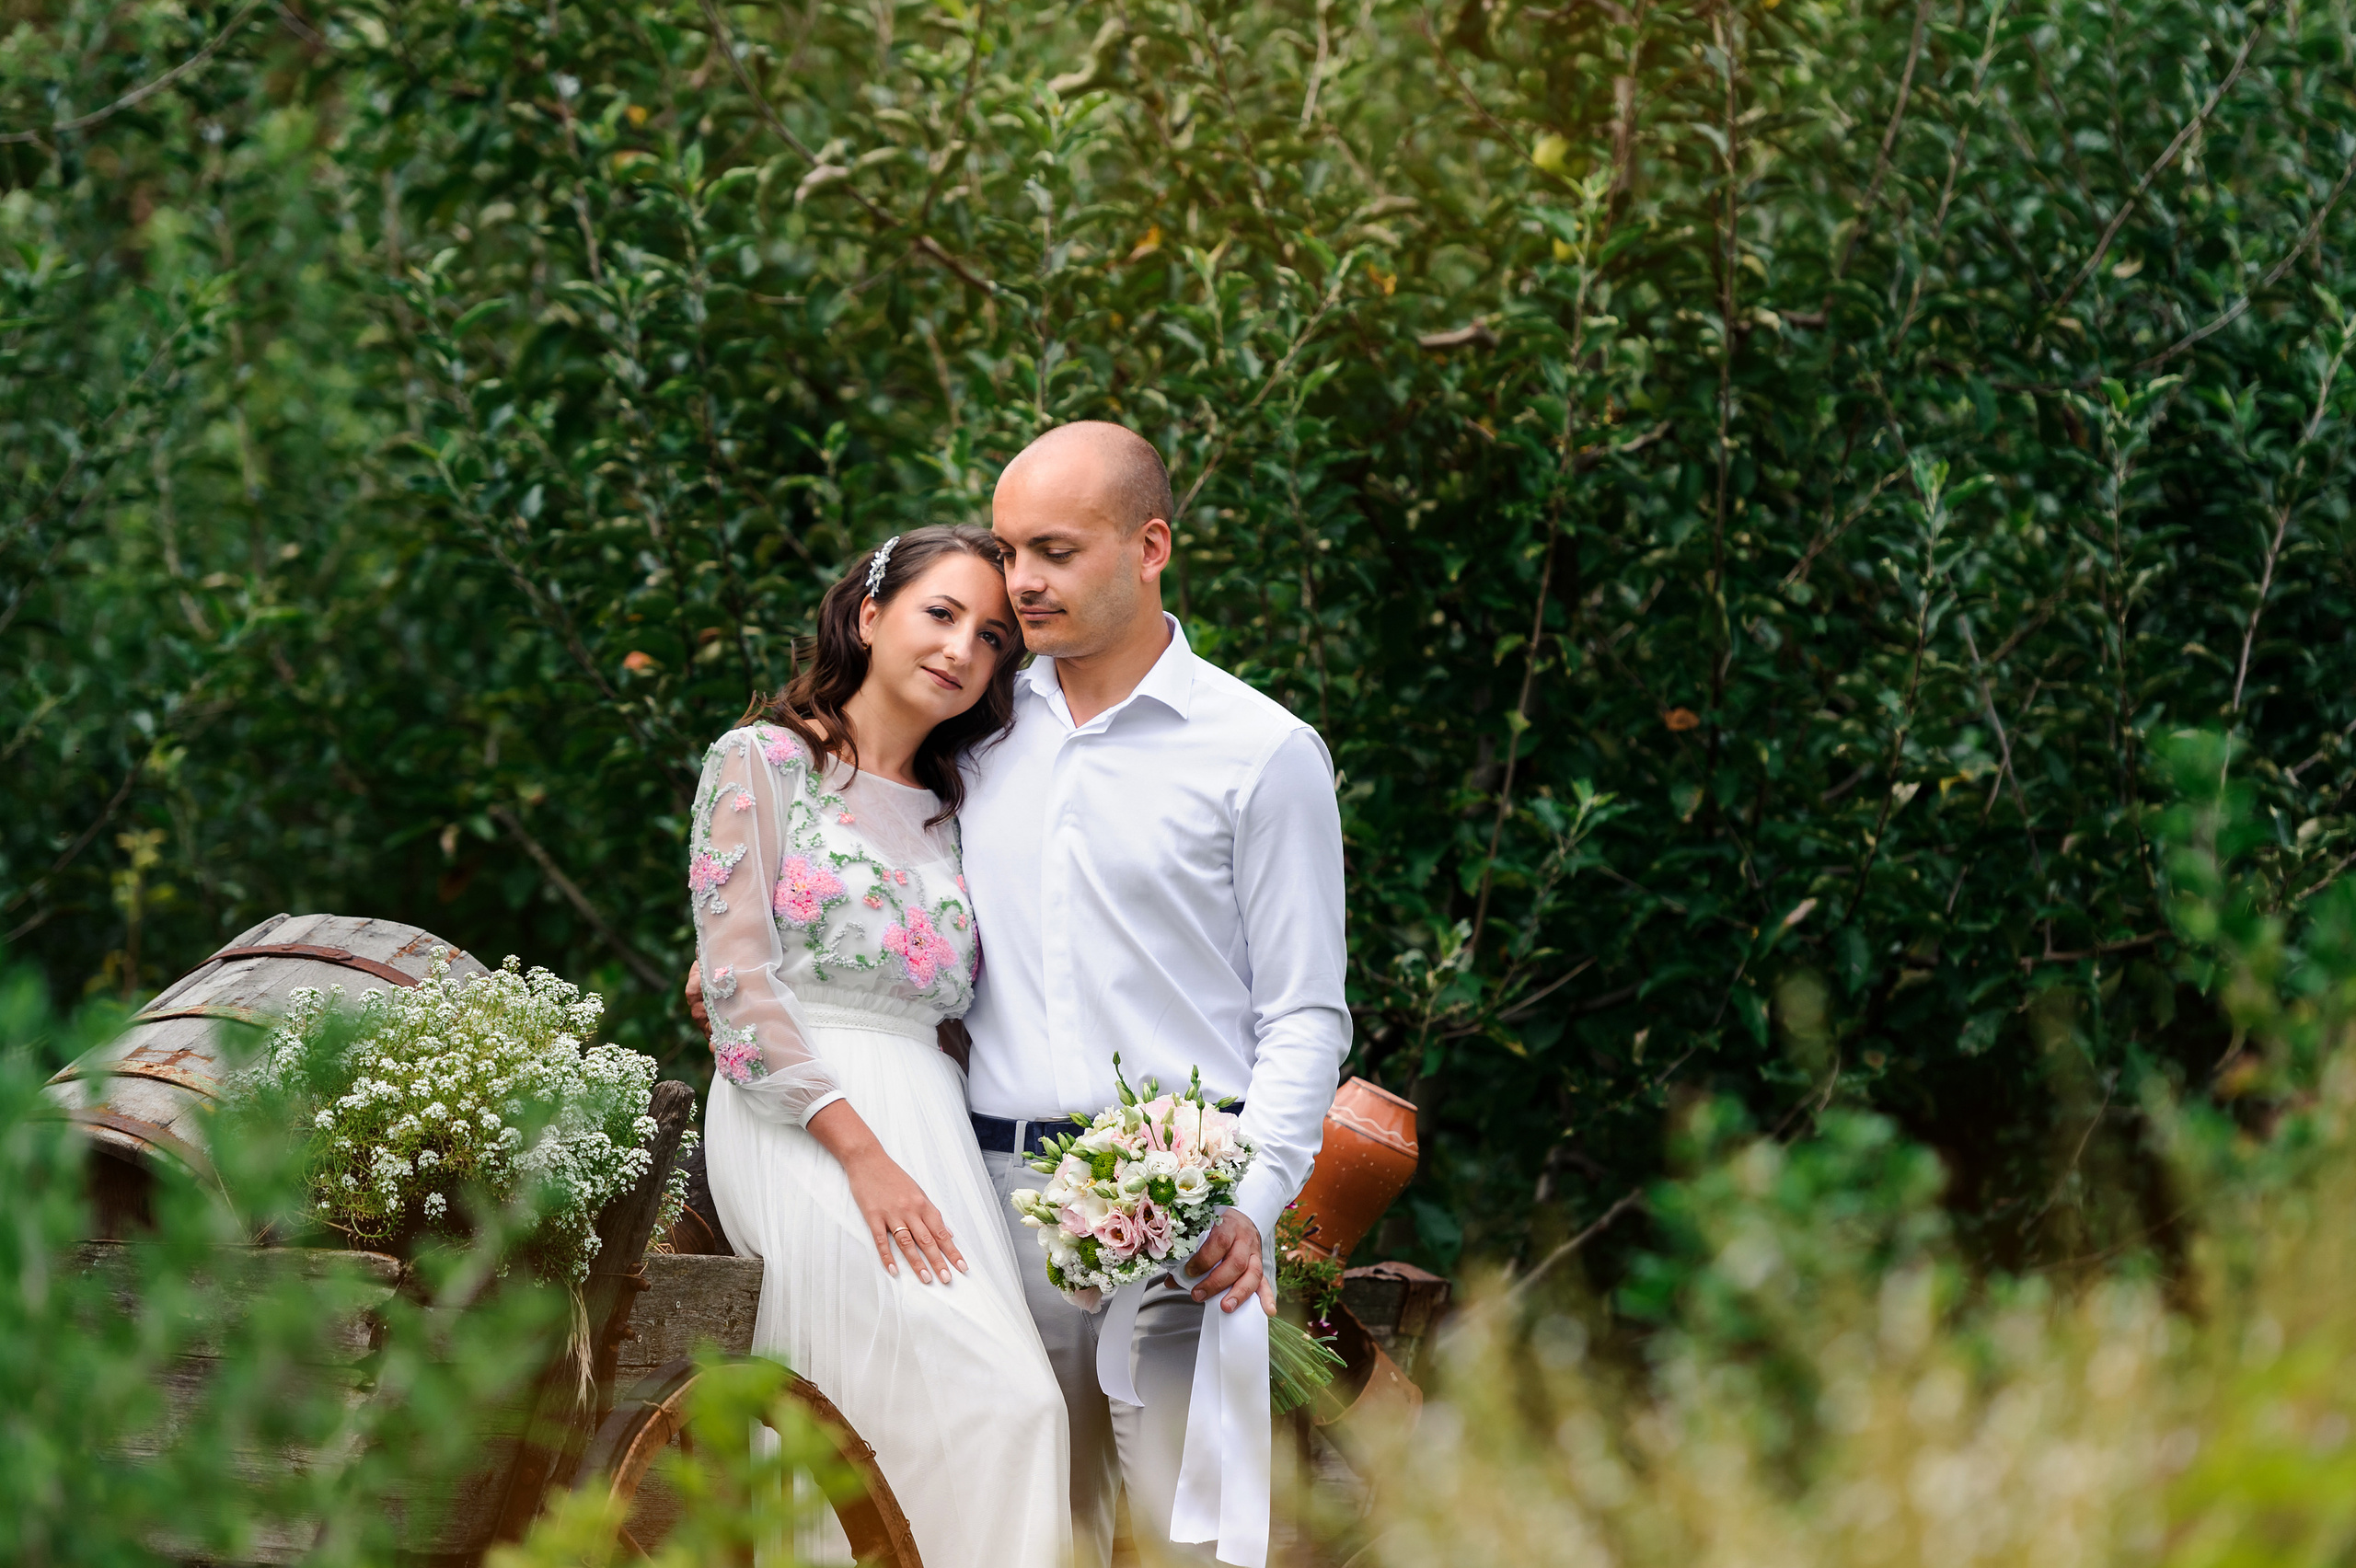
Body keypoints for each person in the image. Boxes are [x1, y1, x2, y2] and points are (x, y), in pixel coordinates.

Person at [691, 423, 1349, 1568]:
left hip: (1187, 1212)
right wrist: (743, 981)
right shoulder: (978, 743)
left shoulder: (1261, 751)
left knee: (1189, 1541)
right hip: (987, 1190)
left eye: (1052, 551)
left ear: (1151, 547)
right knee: (1023, 1496)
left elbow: (1305, 1012)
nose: (1022, 585)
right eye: (1008, 551)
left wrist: (1254, 1195)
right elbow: (856, 896)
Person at [686, 523, 1069, 1568]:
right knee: (987, 1396)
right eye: (940, 614)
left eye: (992, 637)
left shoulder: (962, 806)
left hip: (930, 1121)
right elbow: (736, 985)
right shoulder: (761, 763)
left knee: (981, 1411)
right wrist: (861, 1155)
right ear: (868, 614)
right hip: (805, 1115)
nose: (962, 650)